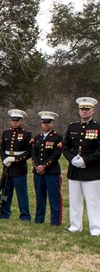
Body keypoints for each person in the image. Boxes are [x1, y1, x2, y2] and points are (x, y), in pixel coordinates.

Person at [63, 97, 100, 236]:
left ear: (92, 110)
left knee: (93, 201)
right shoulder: (73, 127)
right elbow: (65, 147)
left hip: (92, 170)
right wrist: (72, 159)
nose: (84, 111)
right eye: (82, 109)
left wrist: (86, 160)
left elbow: (99, 151)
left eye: (87, 109)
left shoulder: (97, 128)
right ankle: (75, 225)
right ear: (79, 111)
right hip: (74, 170)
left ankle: (96, 228)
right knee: (74, 200)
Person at [0, 109, 33, 221]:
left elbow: (28, 152)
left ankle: (25, 215)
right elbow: (2, 149)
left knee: (21, 193)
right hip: (7, 168)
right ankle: (4, 213)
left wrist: (15, 159)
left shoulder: (27, 134)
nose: (15, 122)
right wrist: (4, 159)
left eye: (17, 121)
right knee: (5, 192)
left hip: (19, 168)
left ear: (21, 121)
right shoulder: (5, 133)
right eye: (13, 120)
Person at [31, 111, 63, 226]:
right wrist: (37, 166)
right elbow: (33, 153)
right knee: (40, 197)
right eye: (44, 123)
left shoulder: (57, 137)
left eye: (48, 123)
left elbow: (56, 154)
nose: (45, 125)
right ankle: (39, 219)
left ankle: (55, 222)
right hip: (38, 173)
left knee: (54, 197)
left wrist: (44, 166)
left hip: (51, 172)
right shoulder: (37, 137)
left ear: (52, 123)